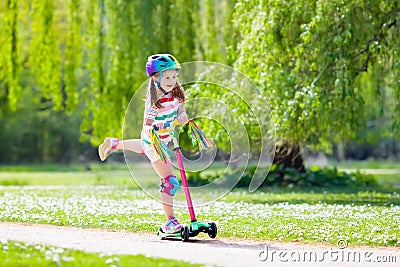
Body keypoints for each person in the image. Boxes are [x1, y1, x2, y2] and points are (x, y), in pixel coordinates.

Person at [98, 54, 188, 234]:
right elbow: (148, 125)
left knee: (144, 148)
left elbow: (182, 107)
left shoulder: (177, 93)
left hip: (164, 139)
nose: (172, 80)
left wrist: (182, 116)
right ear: (156, 78)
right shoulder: (154, 101)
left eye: (174, 76)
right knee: (170, 182)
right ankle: (169, 221)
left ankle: (115, 144)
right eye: (167, 77)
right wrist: (165, 124)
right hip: (155, 140)